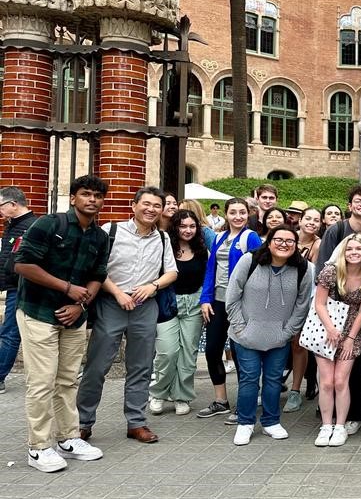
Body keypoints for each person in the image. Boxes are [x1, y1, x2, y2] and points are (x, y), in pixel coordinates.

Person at [13, 175, 109, 472]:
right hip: (38, 312)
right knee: (41, 382)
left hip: (74, 316)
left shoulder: (100, 237)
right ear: (73, 198)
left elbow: (98, 274)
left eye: (97, 195)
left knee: (67, 380)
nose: (92, 199)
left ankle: (68, 438)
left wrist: (79, 303)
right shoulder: (48, 224)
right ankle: (38, 447)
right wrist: (68, 288)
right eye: (85, 194)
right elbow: (22, 265)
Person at [78, 186, 178, 445]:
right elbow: (97, 268)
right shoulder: (110, 231)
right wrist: (117, 293)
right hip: (112, 304)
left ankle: (136, 422)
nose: (151, 209)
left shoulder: (164, 239)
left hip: (146, 307)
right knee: (97, 366)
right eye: (146, 204)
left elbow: (171, 272)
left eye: (157, 205)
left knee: (141, 367)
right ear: (134, 206)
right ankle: (82, 423)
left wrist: (153, 286)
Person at [227, 226, 314, 446]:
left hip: (279, 337)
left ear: (296, 245)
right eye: (279, 239)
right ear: (269, 241)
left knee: (274, 381)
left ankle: (270, 422)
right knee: (249, 379)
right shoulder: (250, 261)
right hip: (246, 336)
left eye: (290, 241)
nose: (284, 244)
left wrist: (289, 331)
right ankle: (245, 423)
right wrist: (240, 328)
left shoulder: (302, 268)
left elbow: (303, 304)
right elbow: (232, 296)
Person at [196, 198, 262, 421]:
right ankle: (221, 400)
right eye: (233, 212)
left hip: (240, 304)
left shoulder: (250, 237)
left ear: (248, 214)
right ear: (226, 214)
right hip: (217, 302)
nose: (238, 216)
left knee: (241, 353)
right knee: (212, 350)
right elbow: (210, 269)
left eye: (242, 212)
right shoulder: (220, 238)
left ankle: (245, 403)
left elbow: (259, 270)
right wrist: (205, 299)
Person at [149, 210, 209, 417]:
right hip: (168, 303)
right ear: (175, 227)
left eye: (192, 226)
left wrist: (204, 301)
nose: (188, 230)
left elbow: (207, 278)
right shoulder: (164, 247)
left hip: (194, 303)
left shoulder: (202, 250)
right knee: (167, 351)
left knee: (188, 353)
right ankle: (158, 393)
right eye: (183, 226)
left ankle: (181, 396)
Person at [312, 233, 361, 447]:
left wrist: (350, 338)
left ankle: (340, 426)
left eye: (358, 249)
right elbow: (319, 303)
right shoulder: (330, 271)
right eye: (350, 249)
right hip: (326, 330)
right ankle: (326, 425)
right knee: (326, 381)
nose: (354, 253)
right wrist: (330, 328)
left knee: (340, 381)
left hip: (351, 333)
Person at [284, 207, 324, 412]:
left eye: (316, 220)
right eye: (308, 218)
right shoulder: (286, 238)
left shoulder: (319, 244)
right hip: (280, 297)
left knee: (298, 345)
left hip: (304, 298)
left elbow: (315, 275)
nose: (312, 222)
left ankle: (295, 390)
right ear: (300, 220)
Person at [0, 187, 37, 394]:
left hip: (21, 288)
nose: (0, 212)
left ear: (13, 204)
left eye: (1, 206)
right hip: (13, 286)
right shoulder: (13, 225)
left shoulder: (31, 226)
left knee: (10, 333)